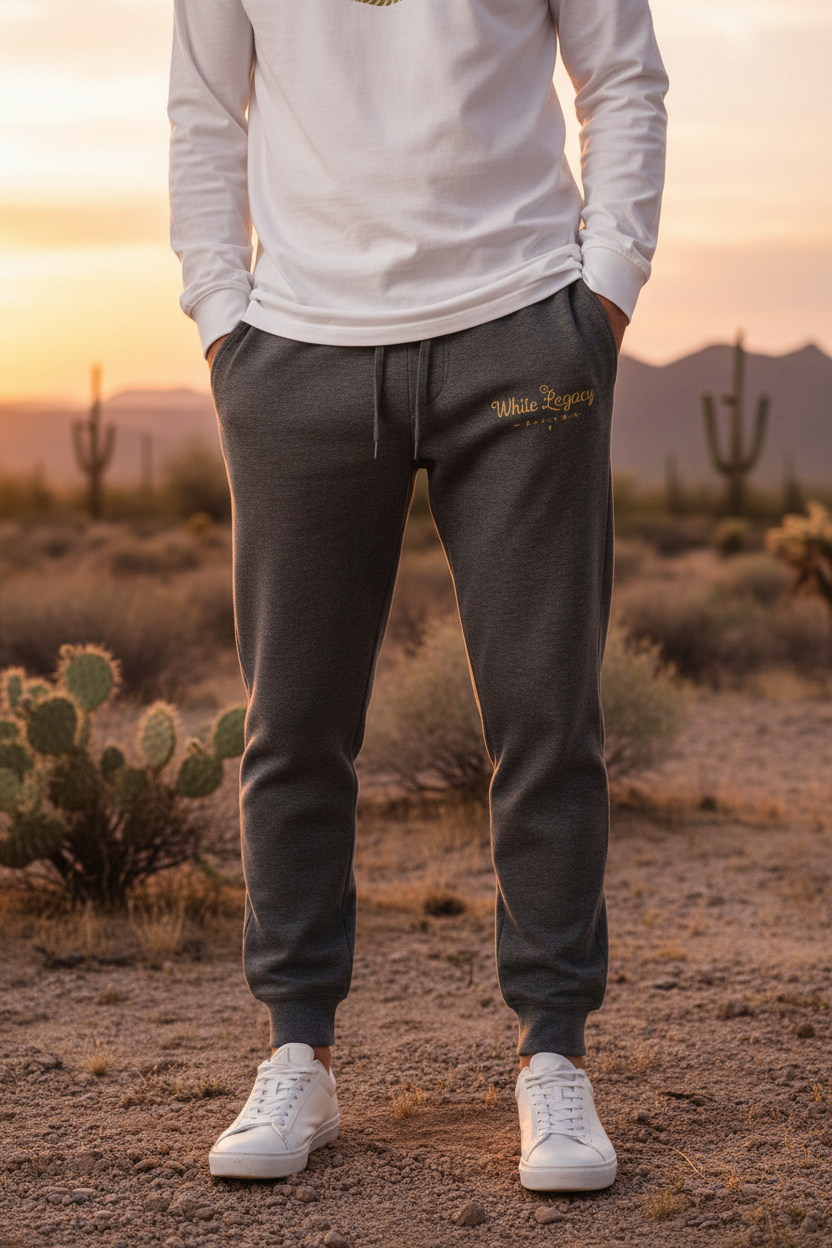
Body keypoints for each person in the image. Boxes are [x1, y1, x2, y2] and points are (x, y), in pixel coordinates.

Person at [168, 0, 668, 1192]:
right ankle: (299, 1053)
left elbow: (624, 79)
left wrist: (602, 299)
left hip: (523, 335)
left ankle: (553, 1059)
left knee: (546, 719)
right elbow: (202, 112)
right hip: (294, 350)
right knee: (292, 726)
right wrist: (218, 318)